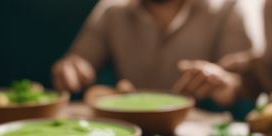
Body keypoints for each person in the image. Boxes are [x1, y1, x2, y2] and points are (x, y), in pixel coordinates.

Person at [52, 0, 252, 107]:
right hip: (130, 131)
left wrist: (224, 83)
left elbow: (246, 83)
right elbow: (81, 58)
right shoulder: (112, 9)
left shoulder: (227, 7)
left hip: (196, 135)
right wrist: (72, 68)